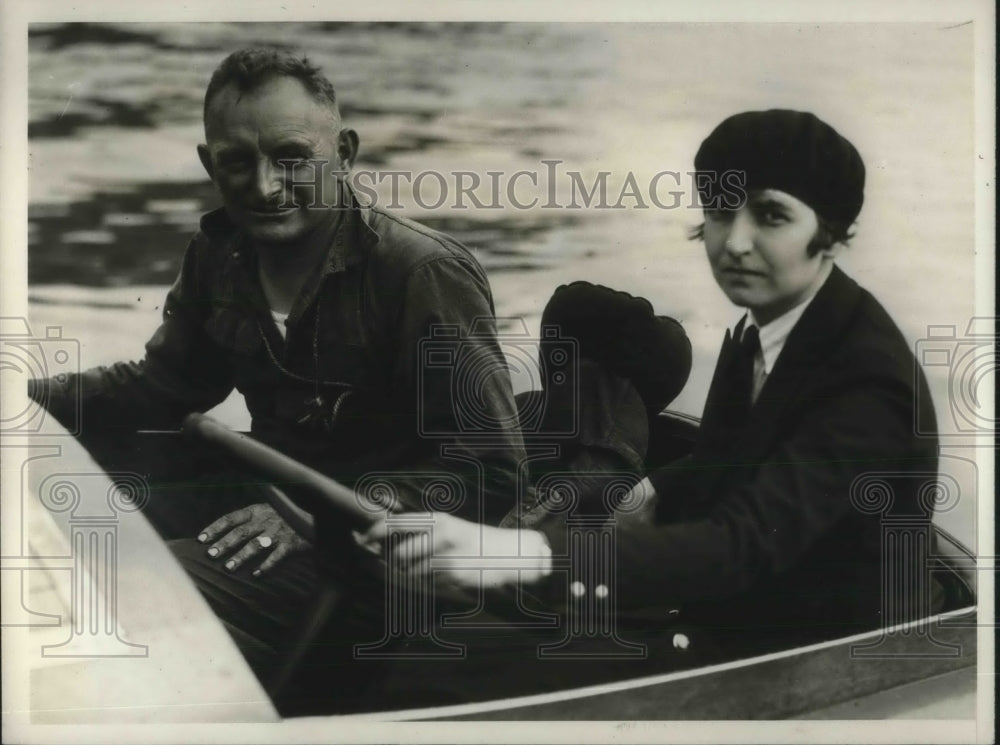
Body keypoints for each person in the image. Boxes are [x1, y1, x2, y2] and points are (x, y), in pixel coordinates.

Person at [357, 109, 943, 707]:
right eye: (719, 210)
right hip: (739, 622)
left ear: (832, 230)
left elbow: (740, 544)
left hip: (830, 669)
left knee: (439, 673)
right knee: (432, 639)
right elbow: (732, 463)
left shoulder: (869, 378)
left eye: (770, 215)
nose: (735, 241)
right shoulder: (765, 330)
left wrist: (518, 553)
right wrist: (649, 496)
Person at [27, 46, 528, 682]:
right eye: (238, 163)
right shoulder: (221, 254)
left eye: (291, 159)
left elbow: (491, 473)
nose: (265, 187)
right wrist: (21, 397)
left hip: (389, 555)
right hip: (270, 509)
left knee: (118, 586)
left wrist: (317, 516)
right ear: (210, 164)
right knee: (53, 523)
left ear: (344, 153)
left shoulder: (421, 273)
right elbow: (159, 390)